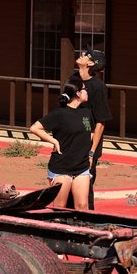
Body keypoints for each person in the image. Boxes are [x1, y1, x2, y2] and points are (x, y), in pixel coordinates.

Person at [29, 75, 94, 210]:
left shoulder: (86, 113)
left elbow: (90, 133)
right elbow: (35, 128)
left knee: (82, 206)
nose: (87, 91)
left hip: (81, 167)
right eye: (84, 89)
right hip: (61, 168)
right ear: (77, 93)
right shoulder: (60, 114)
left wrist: (90, 153)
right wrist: (54, 141)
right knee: (60, 207)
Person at [72, 47, 112, 210]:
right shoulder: (73, 79)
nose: (81, 54)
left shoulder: (98, 87)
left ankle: (86, 221)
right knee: (67, 181)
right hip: (70, 140)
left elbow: (100, 122)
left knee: (84, 185)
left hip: (88, 143)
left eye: (85, 55)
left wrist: (91, 152)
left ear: (90, 63)